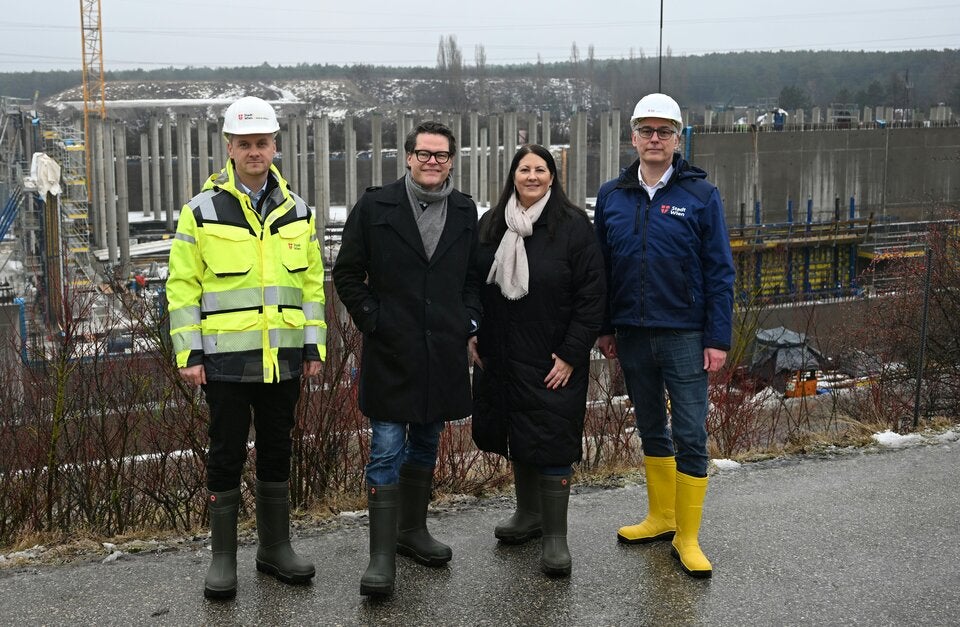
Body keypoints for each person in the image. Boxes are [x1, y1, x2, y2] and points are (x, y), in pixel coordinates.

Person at [166, 96, 326, 599]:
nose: (254, 151)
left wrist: (313, 347)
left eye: (262, 142)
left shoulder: (298, 211)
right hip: (225, 361)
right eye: (245, 143)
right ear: (230, 148)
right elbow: (182, 287)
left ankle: (275, 548)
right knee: (226, 454)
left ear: (275, 146)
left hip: (283, 359)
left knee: (278, 450)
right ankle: (223, 559)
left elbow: (312, 287)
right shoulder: (201, 211)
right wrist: (189, 353)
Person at [332, 120, 481, 596]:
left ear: (452, 161)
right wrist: (373, 320)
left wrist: (467, 319)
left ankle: (412, 531)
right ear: (409, 157)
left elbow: (473, 278)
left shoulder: (465, 210)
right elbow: (347, 272)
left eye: (441, 155)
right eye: (424, 154)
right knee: (386, 448)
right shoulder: (376, 206)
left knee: (426, 442)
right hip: (391, 350)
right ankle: (380, 555)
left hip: (442, 350)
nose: (432, 161)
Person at [594, 93, 735, 579]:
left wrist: (717, 338)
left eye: (664, 132)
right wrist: (605, 327)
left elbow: (720, 271)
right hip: (632, 334)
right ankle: (661, 517)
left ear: (678, 139)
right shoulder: (612, 196)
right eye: (646, 131)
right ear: (632, 137)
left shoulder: (701, 196)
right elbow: (603, 268)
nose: (655, 139)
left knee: (690, 433)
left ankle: (687, 536)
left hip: (685, 335)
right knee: (651, 426)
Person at [471, 144, 605, 577]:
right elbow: (473, 284)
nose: (532, 176)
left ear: (552, 177)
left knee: (552, 438)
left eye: (540, 169)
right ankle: (528, 515)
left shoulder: (572, 226)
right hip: (502, 354)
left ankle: (555, 537)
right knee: (518, 431)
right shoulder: (493, 223)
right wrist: (472, 333)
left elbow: (592, 296)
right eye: (524, 169)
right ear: (513, 175)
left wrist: (571, 354)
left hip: (553, 357)